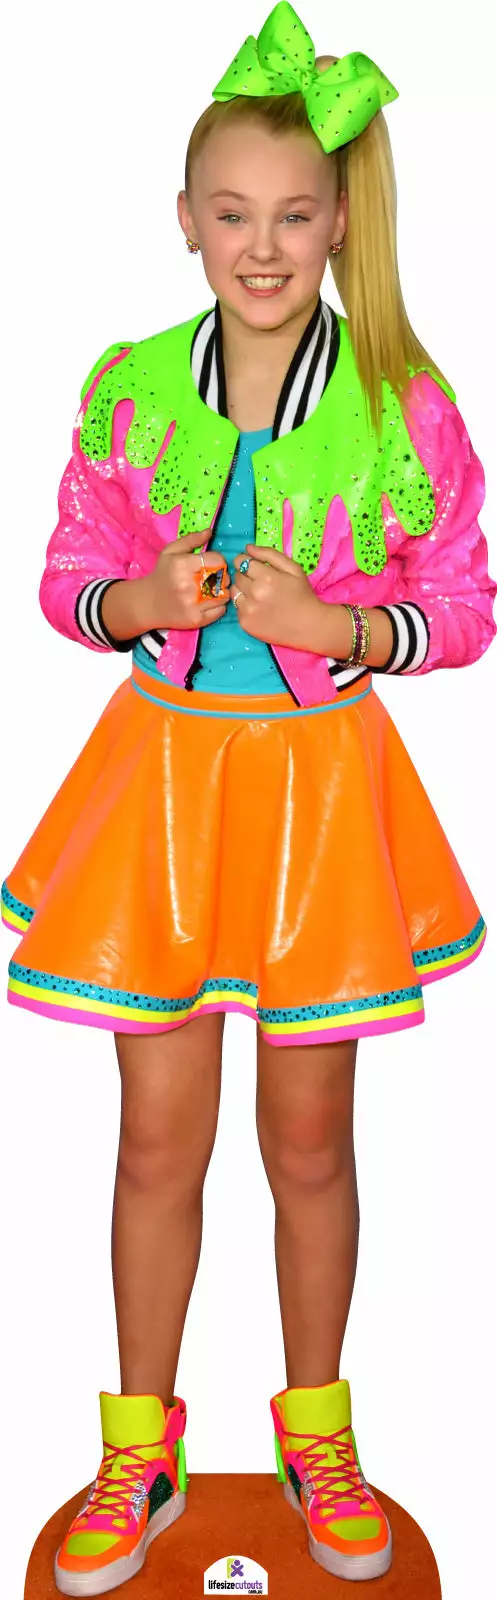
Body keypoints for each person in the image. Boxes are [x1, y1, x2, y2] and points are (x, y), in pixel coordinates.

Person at [2, 2, 496, 1593]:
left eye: (293, 217)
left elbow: (465, 605)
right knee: (156, 1139)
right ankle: (136, 1448)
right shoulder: (132, 384)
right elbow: (66, 576)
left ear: (340, 221)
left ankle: (317, 1434)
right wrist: (140, 600)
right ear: (184, 220)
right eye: (232, 215)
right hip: (160, 791)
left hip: (319, 804)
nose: (262, 247)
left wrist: (337, 628)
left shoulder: (406, 404)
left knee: (311, 1142)